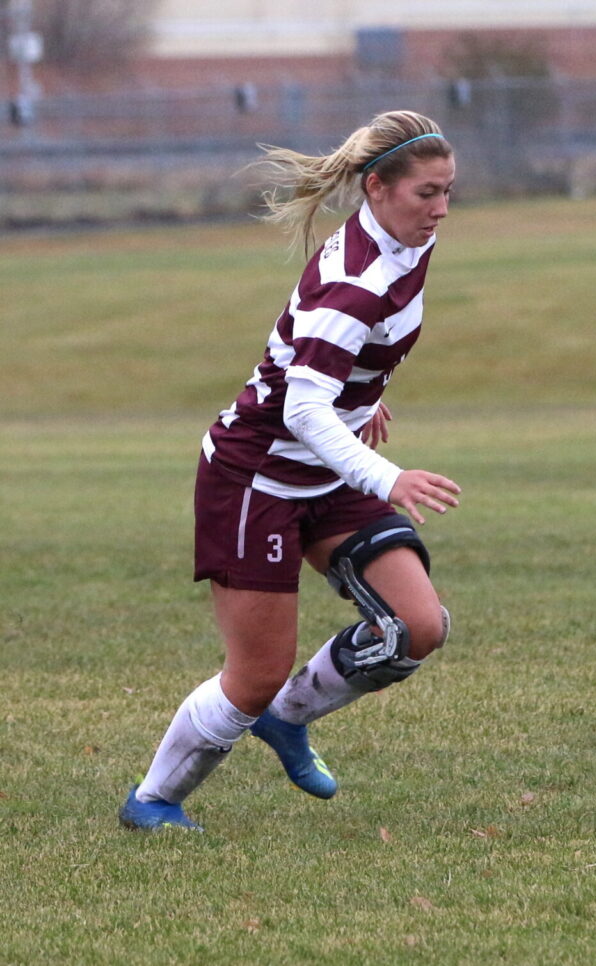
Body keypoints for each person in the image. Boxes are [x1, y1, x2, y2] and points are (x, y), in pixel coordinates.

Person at [119, 110, 461, 831]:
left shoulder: (403, 242)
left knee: (418, 625)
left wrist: (366, 397)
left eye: (447, 191)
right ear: (378, 188)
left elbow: (353, 362)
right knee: (253, 673)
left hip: (325, 474)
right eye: (426, 193)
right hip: (258, 483)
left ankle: (286, 721)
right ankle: (153, 801)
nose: (441, 209)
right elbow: (304, 410)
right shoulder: (357, 284)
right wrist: (387, 476)